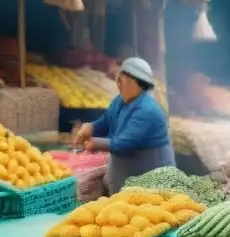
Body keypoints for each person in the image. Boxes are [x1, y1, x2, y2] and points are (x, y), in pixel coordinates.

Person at [73, 57, 174, 194]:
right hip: (125, 178)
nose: (118, 84)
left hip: (152, 180)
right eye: (118, 80)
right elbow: (107, 120)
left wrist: (95, 143)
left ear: (137, 83)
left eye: (122, 80)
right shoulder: (120, 101)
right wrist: (91, 127)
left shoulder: (148, 109)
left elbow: (125, 143)